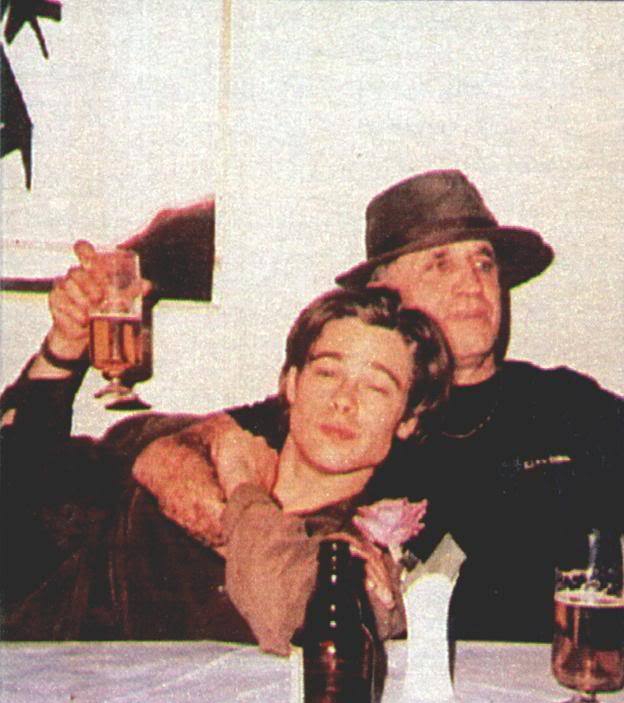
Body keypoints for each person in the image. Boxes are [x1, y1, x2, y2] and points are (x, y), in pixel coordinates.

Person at [135, 169, 623, 643]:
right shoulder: (353, 410)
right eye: (440, 264)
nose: (472, 283)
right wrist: (251, 539)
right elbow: (169, 454)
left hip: (573, 675)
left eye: (484, 263)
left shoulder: (567, 404)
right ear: (386, 294)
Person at [0, 259, 452, 646]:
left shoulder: (368, 550)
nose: (344, 401)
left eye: (376, 388)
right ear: (291, 385)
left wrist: (244, 489)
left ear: (408, 420)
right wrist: (63, 350)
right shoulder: (174, 452)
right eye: (327, 373)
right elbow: (23, 486)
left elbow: (300, 622)